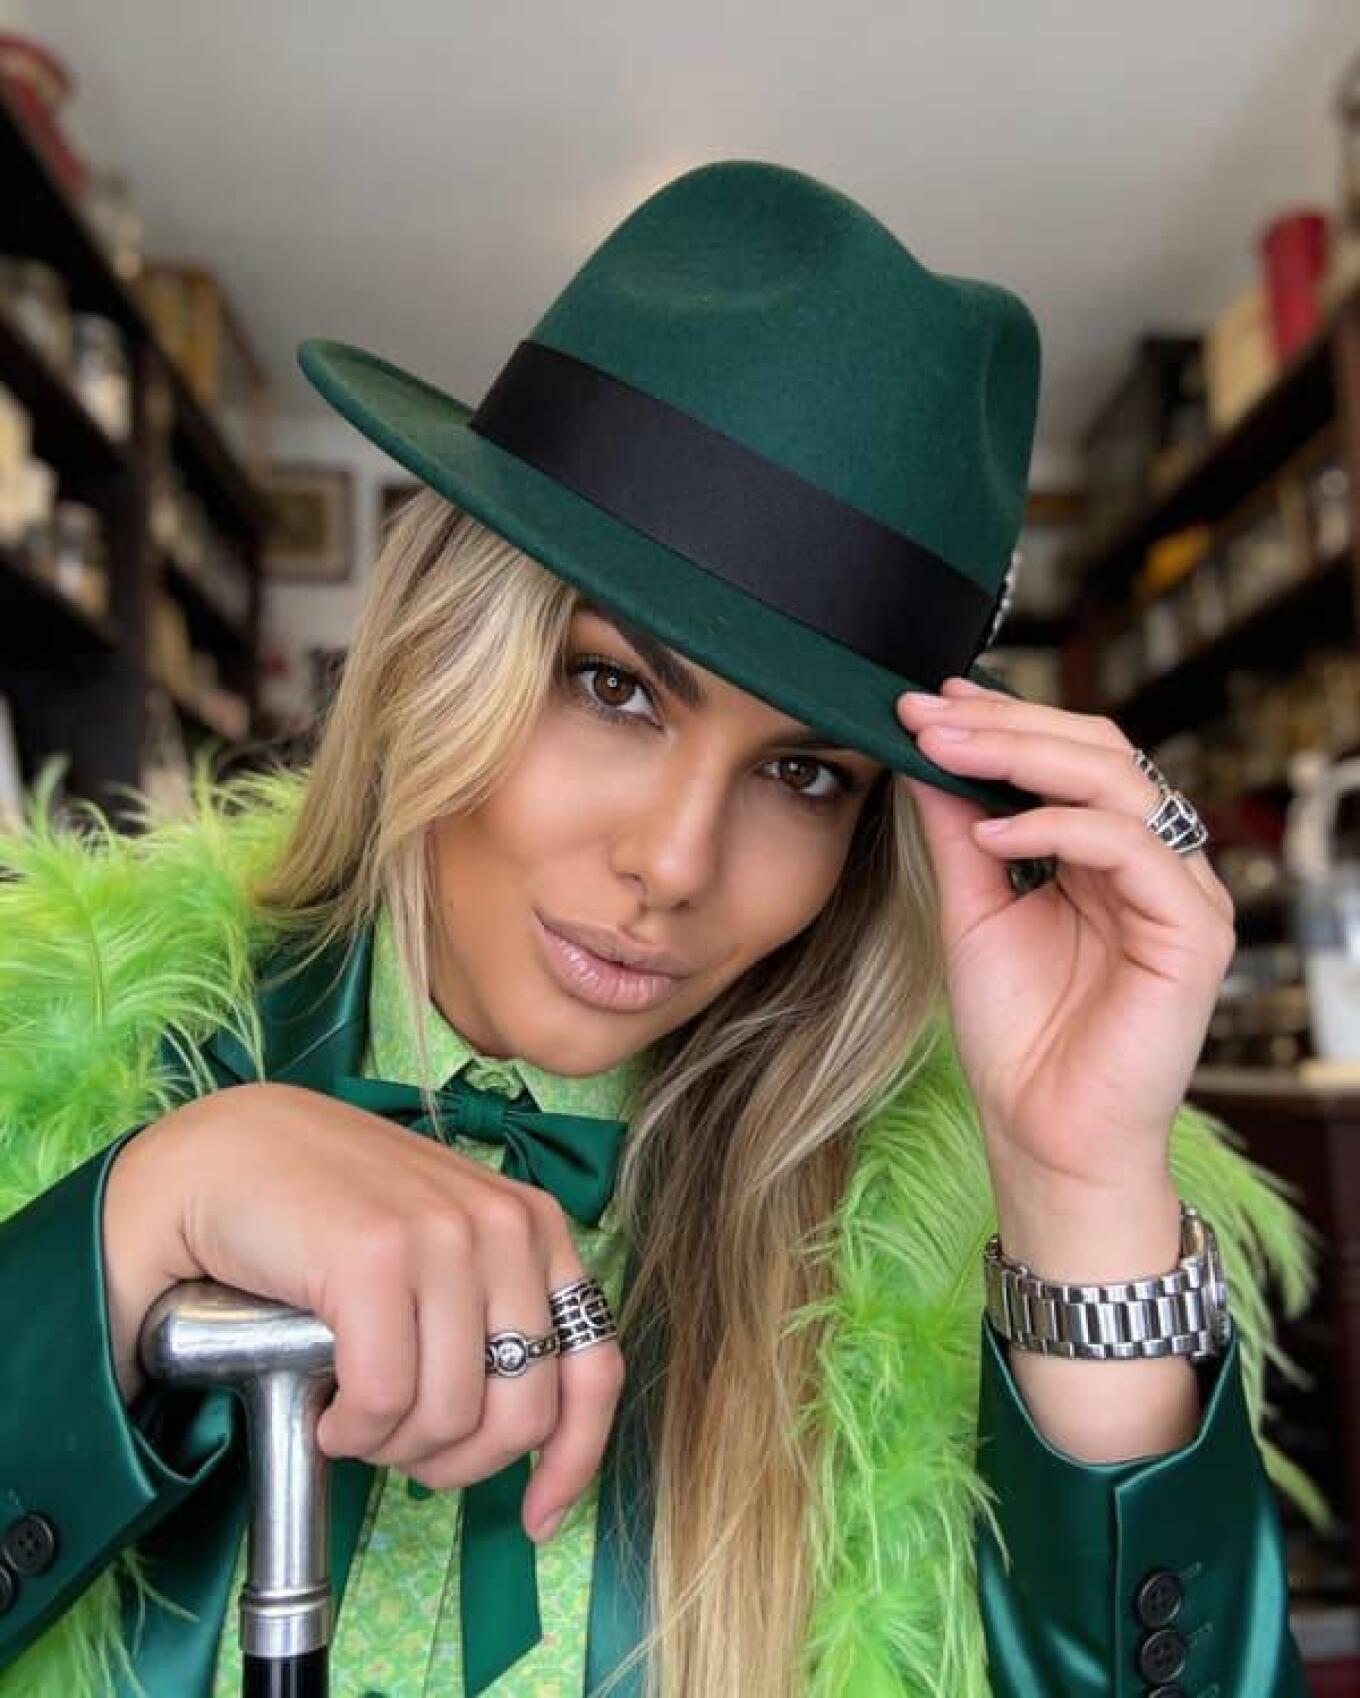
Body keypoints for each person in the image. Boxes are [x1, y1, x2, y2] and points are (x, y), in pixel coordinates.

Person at [0, 158, 1326, 1698]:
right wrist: (141, 1221)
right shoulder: (67, 1045)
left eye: (806, 773)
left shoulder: (910, 1249)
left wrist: (1082, 1189)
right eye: (613, 685)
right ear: (445, 646)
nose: (675, 863)